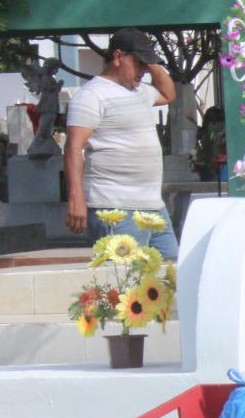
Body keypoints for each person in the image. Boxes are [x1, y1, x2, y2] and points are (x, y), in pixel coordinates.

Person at [64, 28, 179, 258]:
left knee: (170, 278)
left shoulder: (143, 92)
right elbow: (73, 147)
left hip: (153, 206)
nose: (143, 71)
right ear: (118, 57)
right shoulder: (92, 95)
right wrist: (76, 197)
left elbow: (169, 93)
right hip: (114, 208)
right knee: (124, 284)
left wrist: (151, 61)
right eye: (139, 63)